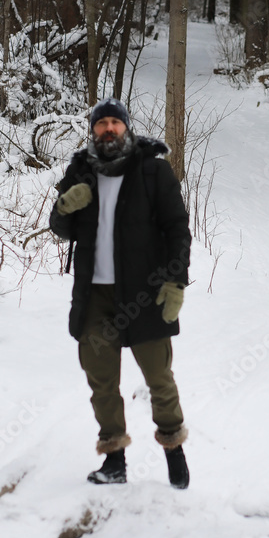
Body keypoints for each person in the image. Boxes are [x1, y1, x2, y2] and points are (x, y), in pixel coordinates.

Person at [49, 98, 191, 489]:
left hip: (144, 293)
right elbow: (61, 228)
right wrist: (65, 205)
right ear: (93, 129)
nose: (108, 129)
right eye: (101, 123)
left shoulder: (152, 170)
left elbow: (177, 227)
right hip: (95, 296)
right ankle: (114, 460)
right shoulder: (80, 170)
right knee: (101, 381)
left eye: (115, 122)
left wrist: (176, 279)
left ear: (126, 128)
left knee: (159, 376)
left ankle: (174, 451)